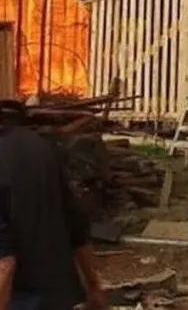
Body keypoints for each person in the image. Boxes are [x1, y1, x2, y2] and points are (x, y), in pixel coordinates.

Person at [0, 102, 108, 310]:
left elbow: (4, 265)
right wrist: (94, 286)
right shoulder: (44, 149)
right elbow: (76, 228)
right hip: (61, 297)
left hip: (19, 300)